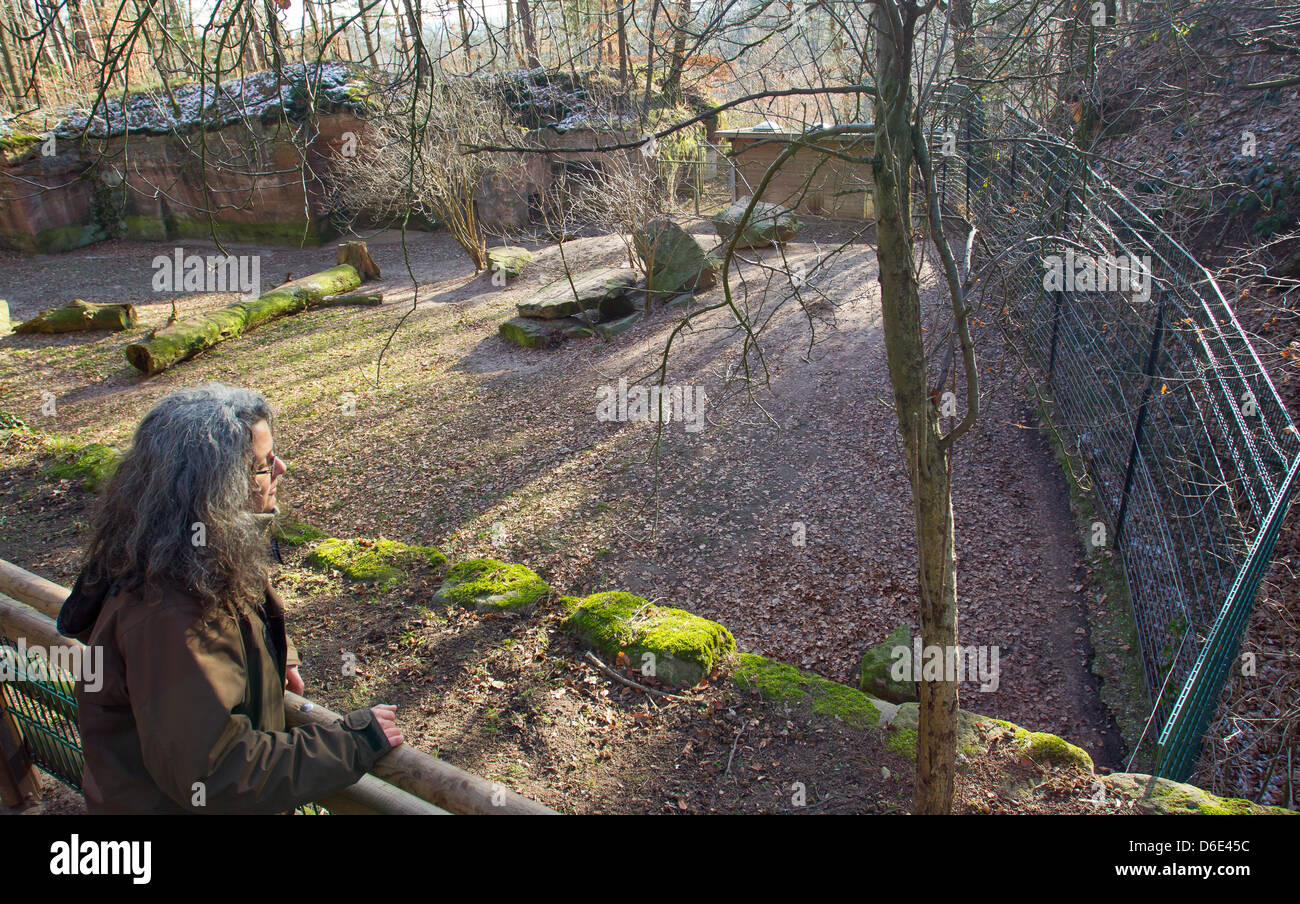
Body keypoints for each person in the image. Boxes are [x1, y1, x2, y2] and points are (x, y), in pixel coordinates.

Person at [57, 382, 403, 814]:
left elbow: (241, 612)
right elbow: (214, 775)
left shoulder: (168, 548)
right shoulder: (174, 615)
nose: (281, 470)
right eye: (261, 465)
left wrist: (278, 656)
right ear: (216, 486)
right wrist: (352, 742)